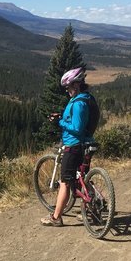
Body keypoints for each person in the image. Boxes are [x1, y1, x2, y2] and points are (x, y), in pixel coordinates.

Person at [41, 66, 95, 227]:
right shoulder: (85, 98)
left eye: (68, 87)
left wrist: (60, 122)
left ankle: (56, 217)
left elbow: (77, 128)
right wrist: (62, 117)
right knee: (81, 178)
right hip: (86, 143)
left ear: (76, 85)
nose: (67, 90)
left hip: (74, 146)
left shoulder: (78, 104)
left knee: (64, 182)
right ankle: (91, 207)